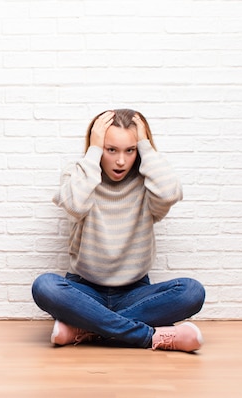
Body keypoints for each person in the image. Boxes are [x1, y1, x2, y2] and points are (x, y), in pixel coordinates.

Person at [31, 109, 206, 352]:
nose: (121, 161)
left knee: (192, 292)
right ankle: (149, 336)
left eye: (130, 150)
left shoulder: (149, 183)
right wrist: (93, 152)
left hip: (135, 292)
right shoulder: (79, 174)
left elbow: (170, 193)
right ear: (97, 146)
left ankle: (88, 328)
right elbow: (75, 205)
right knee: (45, 286)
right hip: (85, 290)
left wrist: (145, 145)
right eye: (111, 149)